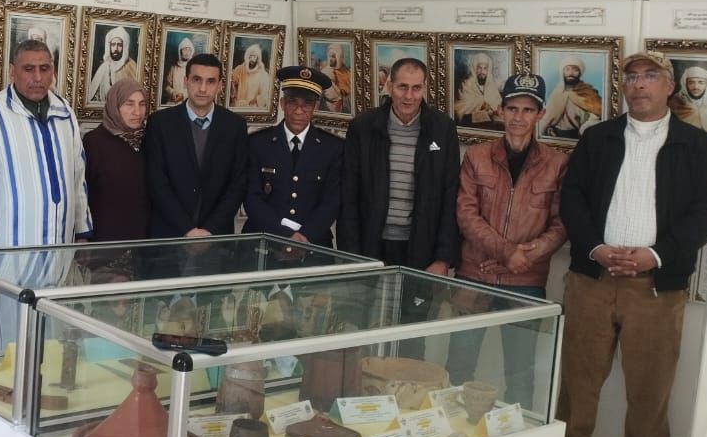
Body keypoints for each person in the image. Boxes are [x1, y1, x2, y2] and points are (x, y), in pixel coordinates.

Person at [556, 51, 707, 437]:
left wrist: (657, 254)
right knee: (576, 388)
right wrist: (595, 247)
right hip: (592, 280)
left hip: (656, 289)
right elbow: (572, 198)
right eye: (631, 77)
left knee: (650, 394)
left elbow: (704, 215)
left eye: (650, 75)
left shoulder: (698, 146)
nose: (640, 84)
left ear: (669, 85)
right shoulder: (597, 138)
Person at [446, 74, 567, 406]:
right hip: (474, 276)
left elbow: (561, 224)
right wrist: (507, 252)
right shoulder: (477, 156)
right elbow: (466, 215)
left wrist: (525, 256)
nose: (518, 117)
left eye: (528, 110)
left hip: (525, 282)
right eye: (512, 108)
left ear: (541, 114)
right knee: (458, 367)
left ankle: (519, 435)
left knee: (521, 372)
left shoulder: (557, 164)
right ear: (500, 110)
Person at [0, 38, 92, 349]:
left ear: (53, 71)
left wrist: (82, 232)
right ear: (12, 71)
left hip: (59, 254)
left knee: (51, 340)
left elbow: (78, 176)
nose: (37, 77)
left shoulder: (65, 114)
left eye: (44, 69)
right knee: (3, 336)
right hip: (6, 258)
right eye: (28, 69)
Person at [340, 57, 460, 359]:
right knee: (364, 334)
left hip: (419, 251)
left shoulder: (442, 129)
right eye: (402, 87)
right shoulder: (363, 127)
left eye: (416, 88)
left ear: (425, 89)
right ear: (389, 86)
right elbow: (348, 197)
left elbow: (450, 196)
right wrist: (351, 256)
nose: (409, 96)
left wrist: (443, 257)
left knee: (411, 339)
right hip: (372, 247)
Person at [145, 53, 248, 238]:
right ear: (185, 81)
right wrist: (187, 229)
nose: (202, 88)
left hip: (216, 237)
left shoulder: (235, 126)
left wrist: (210, 230)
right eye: (196, 79)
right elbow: (157, 183)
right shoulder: (160, 123)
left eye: (210, 81)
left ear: (220, 85)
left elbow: (237, 185)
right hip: (168, 234)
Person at [243, 66, 343, 247]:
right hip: (265, 240)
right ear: (282, 104)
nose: (298, 110)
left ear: (316, 106)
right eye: (292, 102)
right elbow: (252, 198)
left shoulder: (333, 148)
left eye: (307, 104)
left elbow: (331, 202)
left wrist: (305, 237)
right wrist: (284, 235)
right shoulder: (257, 143)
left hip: (312, 243)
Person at [84, 79, 150, 241]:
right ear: (115, 105)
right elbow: (83, 194)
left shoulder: (149, 139)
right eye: (129, 104)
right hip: (105, 240)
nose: (137, 112)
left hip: (144, 241)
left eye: (142, 104)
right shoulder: (94, 142)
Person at [541, 54, 602, 138]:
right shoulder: (557, 93)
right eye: (567, 69)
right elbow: (547, 118)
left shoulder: (588, 92)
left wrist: (586, 126)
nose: (571, 73)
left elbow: (598, 114)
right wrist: (549, 128)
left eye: (575, 70)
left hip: (579, 137)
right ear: (562, 72)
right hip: (556, 137)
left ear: (580, 73)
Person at [668, 65, 707, 142]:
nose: (696, 87)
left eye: (701, 82)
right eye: (691, 82)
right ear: (685, 84)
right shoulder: (675, 104)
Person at [87, 26, 140, 104]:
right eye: (113, 44)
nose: (116, 48)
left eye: (119, 45)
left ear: (124, 46)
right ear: (109, 46)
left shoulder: (132, 66)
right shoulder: (104, 67)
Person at [453, 52, 503, 127]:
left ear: (488, 70)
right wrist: (482, 104)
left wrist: (492, 110)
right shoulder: (467, 85)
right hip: (470, 126)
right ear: (474, 69)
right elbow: (460, 110)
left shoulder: (492, 85)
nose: (482, 72)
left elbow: (498, 106)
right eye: (479, 68)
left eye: (485, 68)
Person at [231, 44, 272, 108]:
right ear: (247, 57)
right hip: (239, 105)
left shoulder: (263, 74)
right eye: (250, 56)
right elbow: (232, 82)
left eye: (254, 56)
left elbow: (265, 93)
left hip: (253, 107)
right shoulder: (240, 69)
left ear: (257, 58)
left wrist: (256, 100)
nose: (252, 59)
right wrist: (233, 91)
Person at [320, 43, 352, 113]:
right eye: (330, 56)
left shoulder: (346, 71)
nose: (331, 59)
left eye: (334, 57)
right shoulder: (326, 71)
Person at [162, 37, 194, 105]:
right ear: (180, 51)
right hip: (173, 101)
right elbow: (167, 86)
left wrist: (183, 95)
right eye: (184, 49)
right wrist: (172, 92)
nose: (187, 52)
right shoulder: (174, 67)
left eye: (189, 50)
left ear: (191, 52)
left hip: (188, 101)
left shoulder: (194, 68)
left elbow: (195, 88)